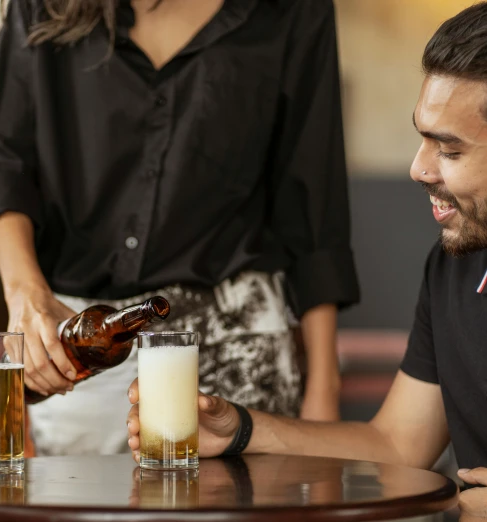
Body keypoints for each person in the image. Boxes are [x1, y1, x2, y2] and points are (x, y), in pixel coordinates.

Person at [127, 2, 487, 518]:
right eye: (421, 139)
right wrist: (239, 430)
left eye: (449, 151)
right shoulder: (451, 268)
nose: (418, 168)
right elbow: (396, 446)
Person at [0, 0, 359, 456]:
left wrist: (324, 389)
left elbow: (313, 192)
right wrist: (24, 294)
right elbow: (2, 159)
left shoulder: (296, 11)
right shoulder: (41, 6)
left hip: (239, 347)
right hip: (85, 345)